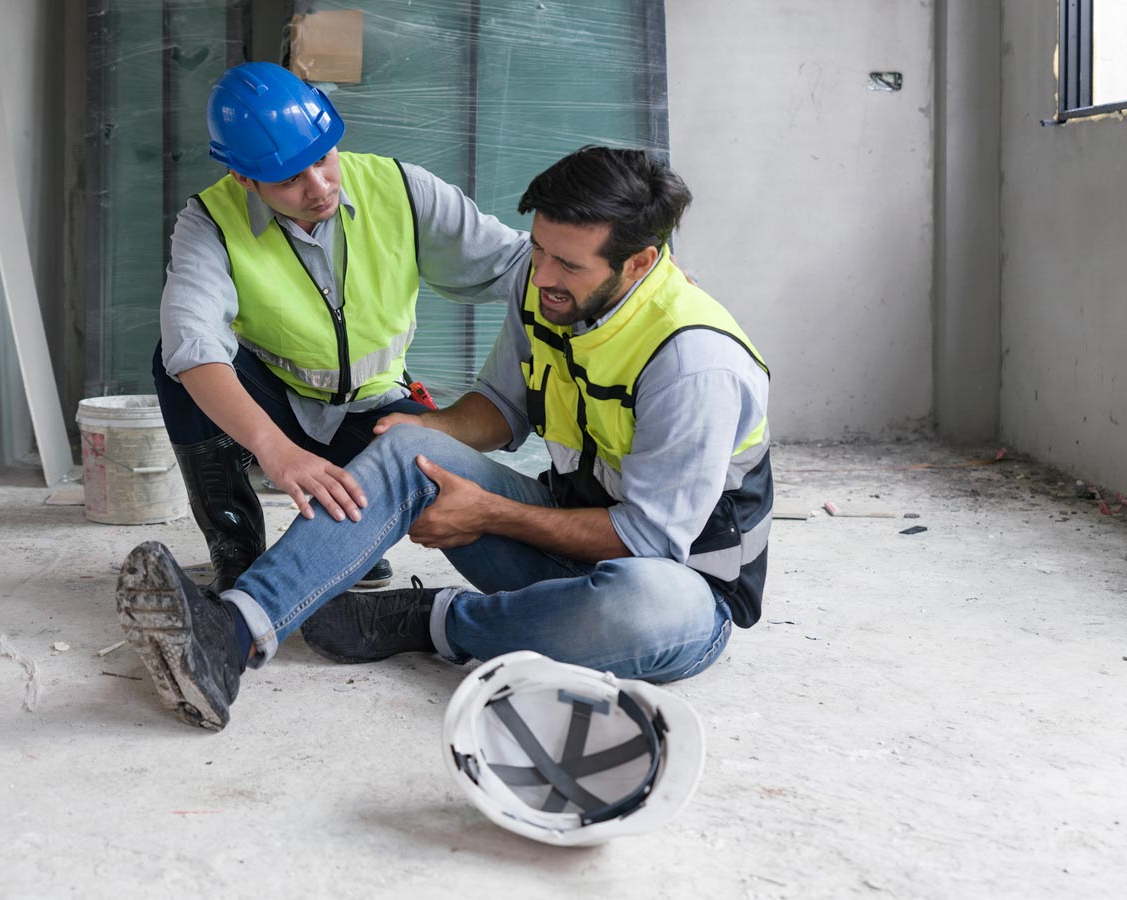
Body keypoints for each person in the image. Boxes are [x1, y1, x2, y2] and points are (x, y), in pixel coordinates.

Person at [120, 145, 772, 733]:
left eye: (567, 264)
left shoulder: (695, 363)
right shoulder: (545, 290)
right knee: (412, 451)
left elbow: (651, 541)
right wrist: (420, 437)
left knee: (646, 607)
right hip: (563, 528)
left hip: (679, 589)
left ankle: (425, 621)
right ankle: (228, 635)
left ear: (639, 263)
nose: (540, 275)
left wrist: (490, 514)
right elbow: (498, 409)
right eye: (538, 249)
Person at [156, 61, 528, 593]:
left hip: (376, 408)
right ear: (244, 177)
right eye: (288, 179)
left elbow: (518, 265)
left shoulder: (400, 188)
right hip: (276, 402)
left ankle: (351, 544)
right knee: (176, 364)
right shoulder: (209, 222)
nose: (319, 187)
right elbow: (190, 342)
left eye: (323, 159)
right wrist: (273, 448)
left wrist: (624, 279)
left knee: (434, 470)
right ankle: (236, 549)